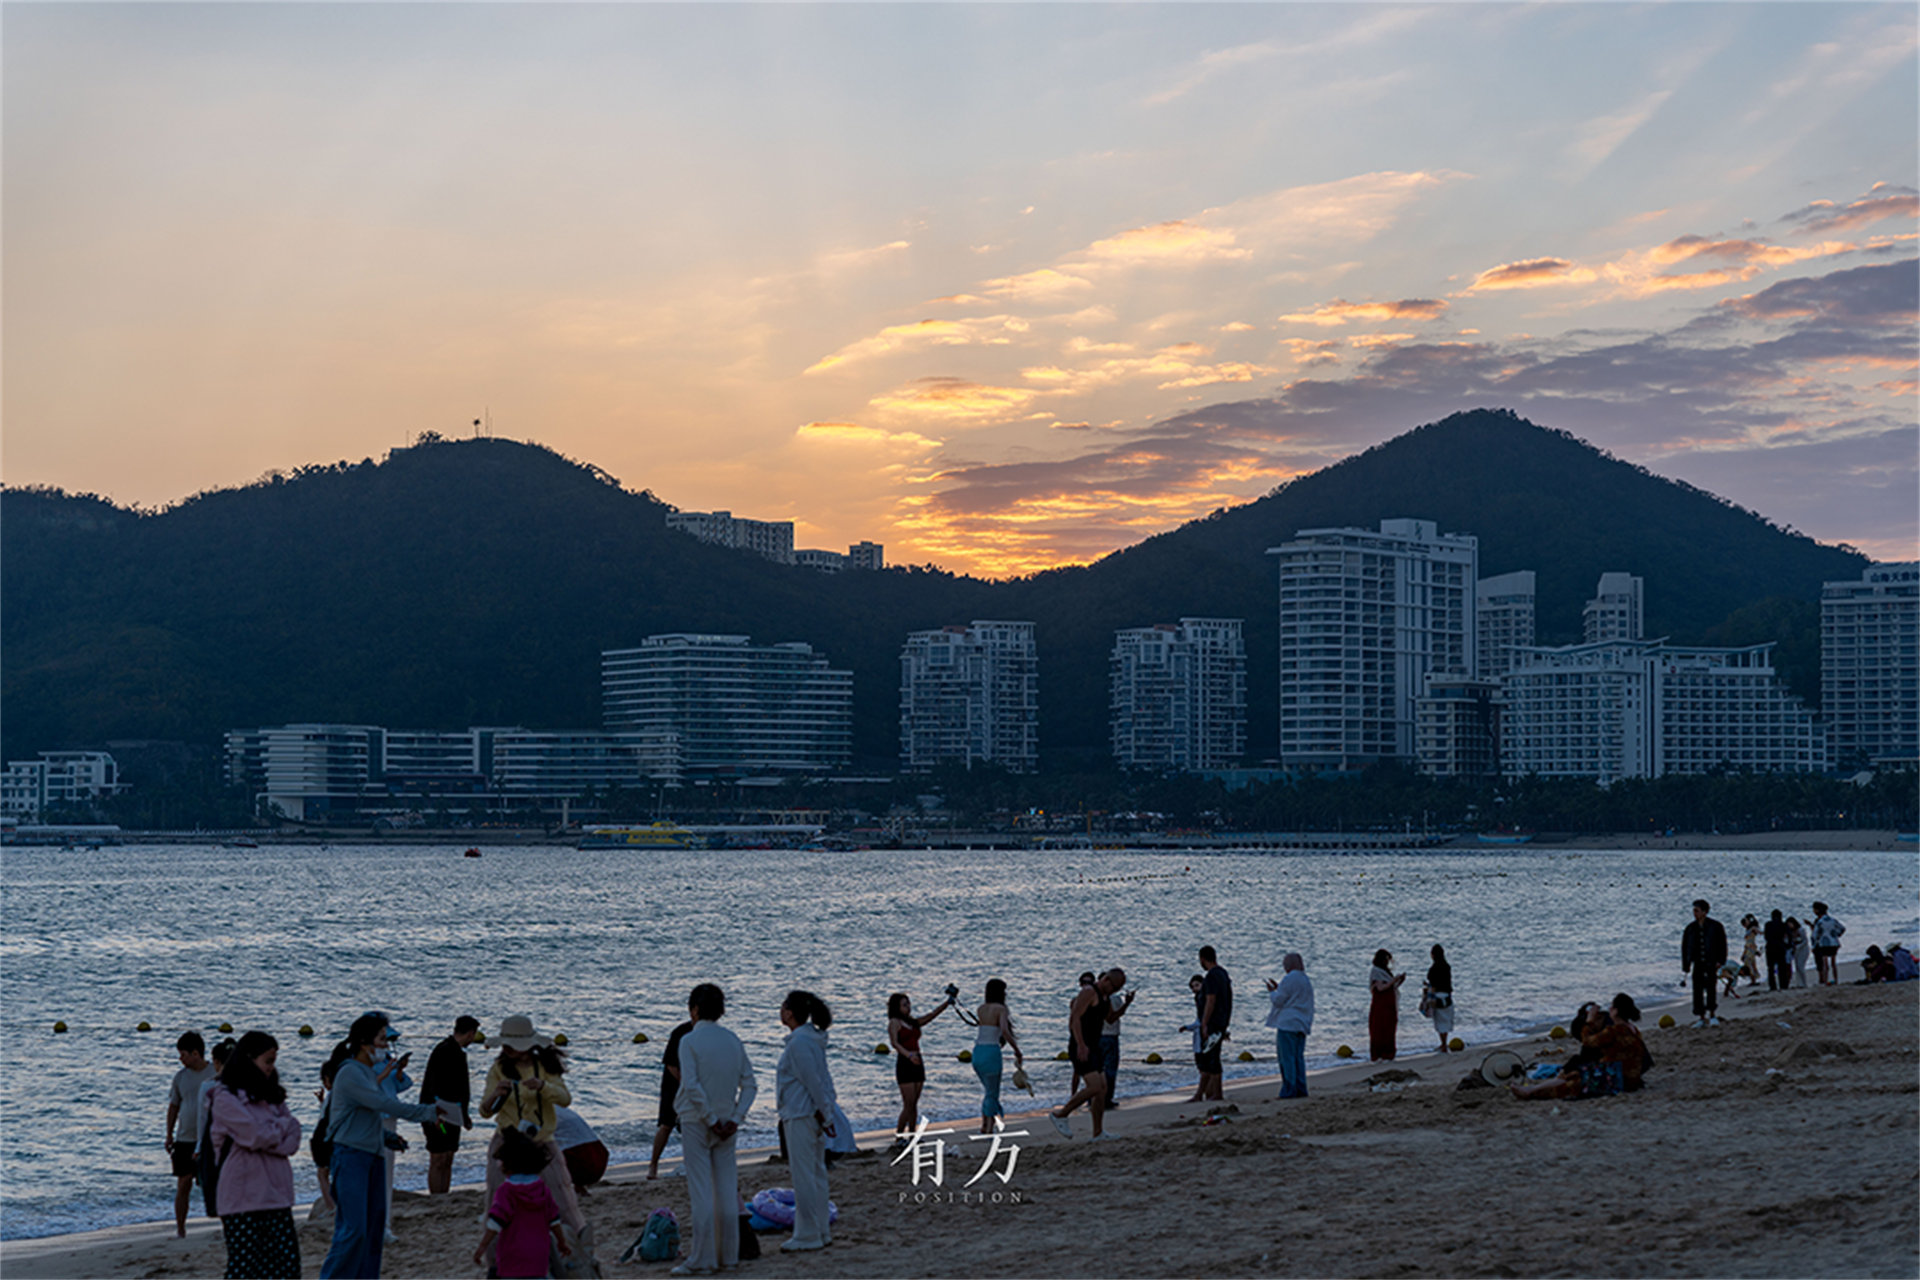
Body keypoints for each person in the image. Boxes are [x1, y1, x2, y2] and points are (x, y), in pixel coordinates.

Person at [318, 1013, 453, 1279]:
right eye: (381, 1039)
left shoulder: (368, 1073)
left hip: (374, 1155)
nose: (386, 1046)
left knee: (373, 1229)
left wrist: (386, 1137)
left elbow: (364, 1115)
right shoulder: (350, 1073)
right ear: (364, 1042)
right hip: (351, 1158)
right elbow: (384, 1105)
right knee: (353, 1230)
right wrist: (427, 1112)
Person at [477, 1015, 586, 1272]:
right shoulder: (499, 1069)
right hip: (508, 1144)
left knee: (563, 1203)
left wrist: (543, 1086)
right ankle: (497, 1265)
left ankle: (577, 1259)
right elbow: (484, 1111)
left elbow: (565, 1099)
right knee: (497, 1204)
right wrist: (497, 1094)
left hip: (541, 1144)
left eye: (510, 1045)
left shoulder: (545, 1066)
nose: (505, 1049)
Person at [672, 982, 758, 1277]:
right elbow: (750, 1084)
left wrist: (709, 1118)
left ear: (694, 1010)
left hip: (698, 1119)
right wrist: (736, 1116)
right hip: (727, 1119)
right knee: (725, 1187)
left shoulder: (689, 1041)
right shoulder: (733, 1040)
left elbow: (691, 1085)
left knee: (701, 1191)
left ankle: (703, 1258)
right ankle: (728, 1255)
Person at [209, 1031, 304, 1279]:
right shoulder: (224, 1097)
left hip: (277, 1196)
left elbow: (293, 1137)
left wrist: (272, 1134)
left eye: (274, 1061)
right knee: (245, 1270)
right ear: (249, 1059)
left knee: (287, 1269)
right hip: (242, 1200)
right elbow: (255, 1135)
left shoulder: (273, 1095)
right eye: (268, 1061)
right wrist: (278, 1130)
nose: (272, 1068)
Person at [774, 990, 837, 1253]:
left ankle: (808, 1232)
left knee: (805, 1177)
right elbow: (823, 1080)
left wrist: (826, 1113)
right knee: (815, 1173)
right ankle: (820, 1230)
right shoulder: (809, 1040)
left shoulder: (800, 1042)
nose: (780, 1011)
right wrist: (826, 1112)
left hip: (801, 1114)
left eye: (783, 1007)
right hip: (809, 1113)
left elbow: (813, 1081)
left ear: (790, 1012)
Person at [471, 1129, 570, 1279]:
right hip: (538, 1254)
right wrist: (562, 1242)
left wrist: (482, 1246)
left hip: (512, 1255)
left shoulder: (506, 1191)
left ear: (508, 1164)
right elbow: (554, 1220)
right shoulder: (542, 1189)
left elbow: (495, 1223)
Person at [1048, 968, 1124, 1140]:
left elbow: (1110, 1019)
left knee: (1102, 1090)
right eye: (1112, 988)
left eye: (1116, 990)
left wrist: (1127, 1004)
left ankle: (1098, 1132)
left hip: (1095, 1046)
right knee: (1095, 1086)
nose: (1112, 992)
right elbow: (1074, 1018)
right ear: (1105, 980)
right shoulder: (1089, 992)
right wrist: (1081, 1044)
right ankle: (1061, 1115)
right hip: (1080, 1046)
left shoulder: (1106, 998)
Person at [886, 987, 956, 1143]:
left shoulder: (912, 1022)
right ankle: (899, 1137)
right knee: (908, 1104)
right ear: (896, 1007)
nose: (908, 1007)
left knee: (914, 1104)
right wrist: (909, 1055)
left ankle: (912, 1135)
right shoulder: (894, 1022)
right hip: (905, 1063)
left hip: (918, 1062)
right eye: (904, 1005)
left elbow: (930, 1016)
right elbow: (894, 1043)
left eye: (908, 1004)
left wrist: (947, 1004)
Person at [419, 1015, 478, 1195]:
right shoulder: (443, 1051)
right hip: (439, 1115)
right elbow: (434, 1086)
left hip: (453, 1114)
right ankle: (436, 1196)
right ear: (470, 1033)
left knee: (449, 1155)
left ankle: (443, 1193)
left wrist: (465, 1114)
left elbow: (462, 1089)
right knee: (438, 1156)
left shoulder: (458, 1052)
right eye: (473, 1034)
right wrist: (435, 1114)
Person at [167, 1032, 217, 1236]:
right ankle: (180, 1228)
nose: (181, 1059)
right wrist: (169, 1134)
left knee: (216, 1182)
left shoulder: (215, 1072)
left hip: (210, 1137)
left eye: (184, 1054)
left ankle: (223, 1220)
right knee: (183, 1183)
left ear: (196, 1053)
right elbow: (173, 1106)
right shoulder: (180, 1077)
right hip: (185, 1138)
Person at [970, 978, 1024, 1134]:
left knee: (988, 1091)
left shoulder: (981, 1008)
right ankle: (988, 1127)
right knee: (992, 1092)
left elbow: (987, 1030)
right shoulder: (1001, 1009)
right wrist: (1016, 1050)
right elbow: (1005, 1032)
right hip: (991, 1053)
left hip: (978, 1052)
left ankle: (985, 1123)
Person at [647, 1017, 694, 1180]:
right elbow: (671, 1064)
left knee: (692, 1125)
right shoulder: (680, 1032)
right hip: (673, 1084)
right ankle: (653, 1165)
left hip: (696, 1086)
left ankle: (691, 1163)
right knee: (666, 1125)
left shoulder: (708, 1033)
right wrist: (686, 1084)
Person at [1263, 952, 1314, 1099]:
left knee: (1287, 1059)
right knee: (1298, 1058)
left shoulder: (1289, 978)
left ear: (1289, 965)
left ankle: (1289, 1090)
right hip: (1302, 1022)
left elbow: (1279, 1001)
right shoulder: (1305, 979)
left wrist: (1272, 992)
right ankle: (1301, 1088)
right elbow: (1294, 996)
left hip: (1288, 1023)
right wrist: (1279, 988)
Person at [1680, 899, 1729, 1027]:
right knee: (1697, 990)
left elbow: (1722, 944)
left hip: (1711, 962)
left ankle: (1712, 1015)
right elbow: (1685, 947)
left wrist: (1721, 961)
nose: (1694, 913)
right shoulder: (1690, 928)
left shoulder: (1716, 926)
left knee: (1711, 988)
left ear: (1705, 912)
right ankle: (1701, 1018)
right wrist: (1686, 965)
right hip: (1698, 963)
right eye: (1694, 911)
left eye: (1697, 911)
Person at [1196, 946, 1233, 1099]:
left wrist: (1204, 1023)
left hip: (1213, 1022)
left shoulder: (1211, 976)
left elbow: (1211, 1000)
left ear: (1203, 959)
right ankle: (1211, 1092)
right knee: (1213, 1055)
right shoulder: (1223, 973)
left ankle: (1215, 1093)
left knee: (1211, 1056)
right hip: (1222, 1020)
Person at [309, 1055, 342, 1219]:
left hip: (322, 1140)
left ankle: (331, 1206)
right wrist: (322, 1101)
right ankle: (336, 1203)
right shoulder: (340, 1094)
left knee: (322, 1173)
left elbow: (324, 1118)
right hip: (335, 1139)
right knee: (335, 1172)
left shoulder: (332, 1095)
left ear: (328, 1079)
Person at [552, 1105, 608, 1195]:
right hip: (599, 1156)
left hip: (581, 1161)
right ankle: (579, 1186)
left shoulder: (537, 1112)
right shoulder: (561, 1109)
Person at [1099, 980, 1136, 1109]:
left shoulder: (1093, 997)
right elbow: (1112, 1018)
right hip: (1109, 1037)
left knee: (1098, 1071)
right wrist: (1127, 1004)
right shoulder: (1111, 999)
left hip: (1097, 1036)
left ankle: (1095, 1098)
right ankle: (1106, 1099)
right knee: (1110, 1070)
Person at [1368, 950, 1406, 1061]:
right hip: (1381, 1004)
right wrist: (1394, 980)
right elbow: (1380, 988)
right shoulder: (1376, 971)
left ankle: (1389, 1053)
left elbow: (1392, 987)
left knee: (1390, 1028)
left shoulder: (1385, 972)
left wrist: (1400, 980)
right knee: (1379, 1028)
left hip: (1389, 1004)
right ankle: (1378, 1054)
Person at [1066, 971, 1096, 1096]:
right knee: (1077, 1071)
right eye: (1084, 983)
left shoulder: (1095, 999)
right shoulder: (1076, 1001)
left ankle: (1089, 1095)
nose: (1085, 985)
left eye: (1088, 983)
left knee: (1092, 1072)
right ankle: (1073, 1095)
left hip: (1091, 1038)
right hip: (1078, 1038)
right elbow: (1072, 1021)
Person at [1179, 973, 1207, 1102]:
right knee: (1201, 1065)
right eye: (1192, 987)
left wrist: (1187, 1027)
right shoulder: (1199, 999)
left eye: (1197, 985)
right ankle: (1206, 1091)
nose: (1194, 989)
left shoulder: (1202, 999)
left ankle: (1201, 1092)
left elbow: (1200, 1021)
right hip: (1199, 1037)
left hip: (1201, 1038)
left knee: (1203, 1066)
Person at [1424, 944, 1455, 1052]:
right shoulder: (1447, 966)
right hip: (1447, 996)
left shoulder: (1433, 968)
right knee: (1446, 1022)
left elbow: (1432, 983)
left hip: (1437, 996)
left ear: (1433, 955)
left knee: (1439, 1022)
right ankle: (1444, 1044)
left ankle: (1443, 1045)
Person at [1811, 902, 1847, 986]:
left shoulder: (1820, 922)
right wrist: (1836, 934)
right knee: (1833, 963)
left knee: (1825, 964)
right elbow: (1842, 928)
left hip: (1824, 943)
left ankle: (1826, 980)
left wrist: (1814, 944)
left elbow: (1815, 935)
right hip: (1834, 942)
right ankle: (1836, 980)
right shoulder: (1832, 920)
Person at [1763, 910, 1792, 992]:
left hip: (1770, 947)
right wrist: (1788, 945)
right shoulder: (1783, 925)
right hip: (1780, 947)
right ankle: (1783, 985)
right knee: (1782, 968)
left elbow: (1766, 937)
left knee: (1770, 968)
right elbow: (1789, 936)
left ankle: (1773, 986)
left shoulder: (1768, 925)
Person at [1786, 915, 1811, 988]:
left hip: (1803, 949)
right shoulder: (1791, 932)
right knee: (1797, 967)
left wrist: (1797, 946)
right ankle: (1799, 983)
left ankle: (1804, 983)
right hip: (1796, 950)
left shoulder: (1801, 930)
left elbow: (1805, 941)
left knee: (1801, 966)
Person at [1738, 915, 1762, 986]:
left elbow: (1760, 932)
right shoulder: (1750, 929)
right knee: (1751, 963)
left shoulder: (1752, 929)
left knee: (1749, 963)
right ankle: (1753, 980)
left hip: (1750, 947)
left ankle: (1753, 980)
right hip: (1750, 947)